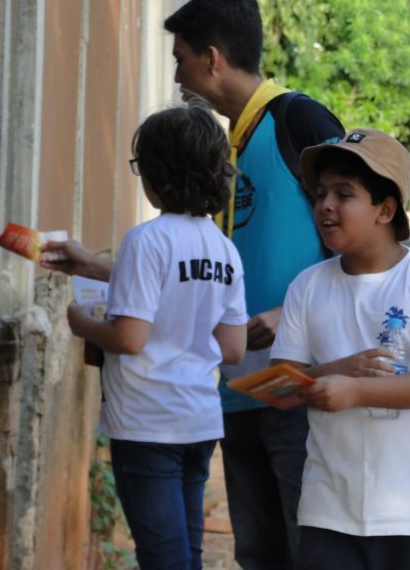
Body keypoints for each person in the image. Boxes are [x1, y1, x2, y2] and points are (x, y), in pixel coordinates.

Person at [162, 0, 344, 570]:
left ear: (212, 58)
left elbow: (364, 244)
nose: (176, 74)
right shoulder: (223, 144)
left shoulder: (299, 119)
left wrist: (293, 317)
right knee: (259, 553)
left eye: (181, 57)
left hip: (300, 388)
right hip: (238, 391)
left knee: (309, 547)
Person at [43, 103, 248, 570]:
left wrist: (82, 322)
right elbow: (233, 349)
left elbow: (131, 338)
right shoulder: (225, 250)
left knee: (163, 559)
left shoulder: (147, 240)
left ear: (156, 174)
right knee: (184, 556)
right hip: (198, 421)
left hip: (147, 422)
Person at [270, 128, 410, 570]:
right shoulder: (307, 286)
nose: (325, 205)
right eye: (321, 192)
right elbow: (279, 389)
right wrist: (339, 370)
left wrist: (357, 391)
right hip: (328, 512)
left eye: (344, 194)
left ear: (386, 209)